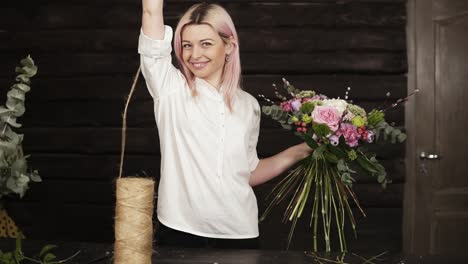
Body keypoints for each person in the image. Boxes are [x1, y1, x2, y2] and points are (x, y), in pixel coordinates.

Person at [139, 0, 313, 249]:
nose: (194, 55)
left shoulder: (249, 106)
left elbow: (247, 173)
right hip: (180, 231)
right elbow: (151, 11)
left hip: (240, 233)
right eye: (187, 45)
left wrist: (301, 151)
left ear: (229, 45)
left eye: (206, 44)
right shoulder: (169, 89)